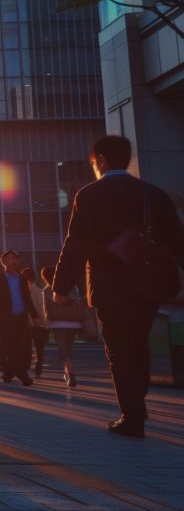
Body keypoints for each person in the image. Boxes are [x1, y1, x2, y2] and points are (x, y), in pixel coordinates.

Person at [53, 136, 184, 437]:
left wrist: (60, 287)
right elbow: (178, 240)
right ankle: (137, 396)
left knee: (119, 350)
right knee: (138, 341)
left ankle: (132, 414)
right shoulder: (153, 194)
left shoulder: (89, 195)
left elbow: (75, 245)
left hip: (109, 286)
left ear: (100, 160)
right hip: (148, 284)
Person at [0, 251, 37, 387]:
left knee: (17, 348)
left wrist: (34, 315)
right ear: (3, 263)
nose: (11, 261)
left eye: (14, 258)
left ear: (18, 261)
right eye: (8, 259)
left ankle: (8, 373)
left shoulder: (22, 279)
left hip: (20, 318)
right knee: (11, 348)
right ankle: (24, 377)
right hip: (5, 320)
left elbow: (27, 298)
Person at [40, 265, 82, 388]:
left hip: (57, 323)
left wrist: (46, 324)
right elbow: (78, 301)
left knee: (63, 350)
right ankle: (67, 373)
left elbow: (45, 309)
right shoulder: (71, 287)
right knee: (69, 348)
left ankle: (70, 373)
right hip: (73, 323)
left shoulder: (47, 290)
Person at [22, 267, 48, 378]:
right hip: (41, 324)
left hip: (28, 323)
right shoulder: (39, 291)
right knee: (39, 347)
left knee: (26, 346)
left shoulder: (23, 291)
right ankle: (38, 367)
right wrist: (45, 324)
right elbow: (43, 309)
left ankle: (26, 365)